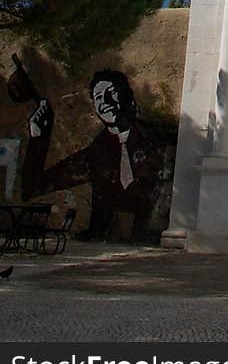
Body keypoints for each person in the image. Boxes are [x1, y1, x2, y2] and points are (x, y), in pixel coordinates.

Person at [21, 70, 162, 241]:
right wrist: (38, 138)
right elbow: (34, 187)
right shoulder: (96, 154)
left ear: (128, 97)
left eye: (111, 93)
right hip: (102, 242)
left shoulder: (154, 139)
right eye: (99, 98)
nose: (105, 102)